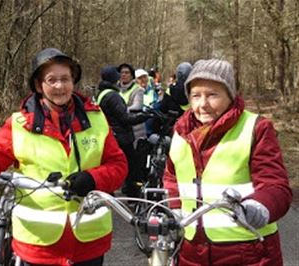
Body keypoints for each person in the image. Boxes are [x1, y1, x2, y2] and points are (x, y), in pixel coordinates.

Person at [0, 48, 128, 265]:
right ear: (38, 85)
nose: (60, 86)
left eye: (65, 79)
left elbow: (118, 165)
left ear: (73, 81)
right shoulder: (19, 125)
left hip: (89, 243)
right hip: (38, 244)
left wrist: (93, 179)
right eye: (51, 80)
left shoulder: (96, 119)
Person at [163, 58, 292, 265]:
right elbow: (171, 177)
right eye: (195, 96)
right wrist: (175, 208)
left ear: (230, 96)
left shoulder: (256, 128)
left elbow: (276, 185)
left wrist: (259, 206)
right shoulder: (181, 131)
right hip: (191, 252)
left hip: (249, 252)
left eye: (212, 95)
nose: (202, 104)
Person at [96, 65, 151, 197]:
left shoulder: (102, 93)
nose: (122, 75)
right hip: (121, 137)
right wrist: (144, 116)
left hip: (111, 134)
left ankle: (110, 192)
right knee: (131, 168)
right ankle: (133, 196)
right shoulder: (113, 96)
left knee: (112, 166)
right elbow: (125, 118)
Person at [117, 63, 146, 144]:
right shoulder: (116, 88)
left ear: (132, 75)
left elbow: (137, 106)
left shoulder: (138, 89)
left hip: (135, 130)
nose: (124, 75)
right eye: (122, 72)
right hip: (121, 128)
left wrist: (119, 111)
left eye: (126, 72)